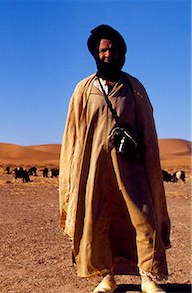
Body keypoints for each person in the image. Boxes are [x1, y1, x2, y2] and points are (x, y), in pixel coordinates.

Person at [59, 24, 171, 293]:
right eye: (103, 49)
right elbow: (72, 133)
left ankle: (147, 276)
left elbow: (148, 129)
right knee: (97, 219)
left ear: (122, 52)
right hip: (94, 170)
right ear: (96, 54)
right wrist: (73, 173)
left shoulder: (134, 88)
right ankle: (106, 276)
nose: (108, 54)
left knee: (143, 217)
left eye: (113, 49)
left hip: (131, 168)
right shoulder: (84, 89)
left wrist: (148, 164)